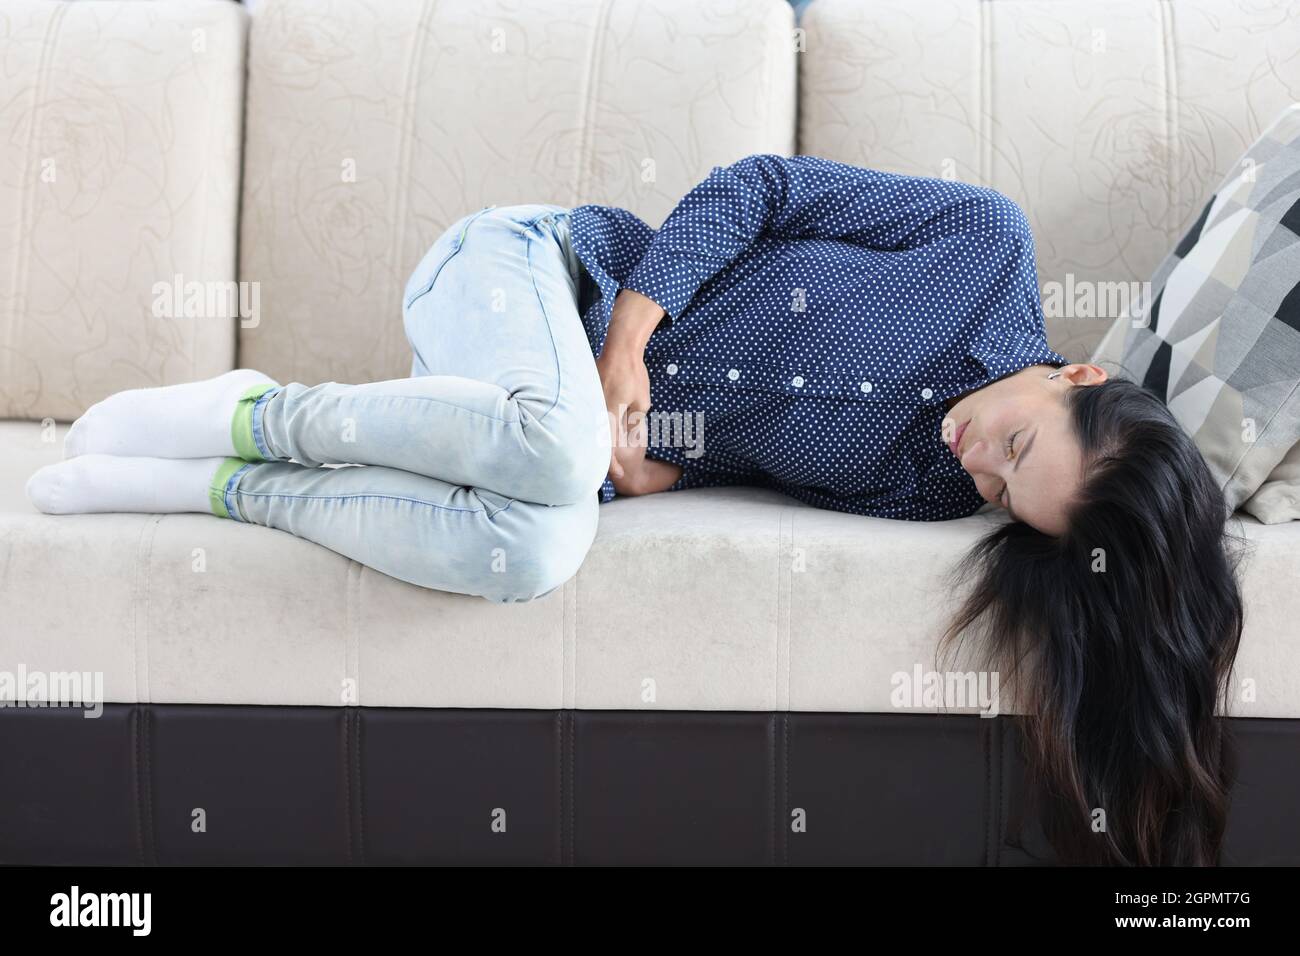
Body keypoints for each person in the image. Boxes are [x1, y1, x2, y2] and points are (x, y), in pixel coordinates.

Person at [26, 155, 1245, 864]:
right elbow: (756, 189)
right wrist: (623, 349)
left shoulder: (930, 488)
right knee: (557, 449)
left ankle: (221, 480)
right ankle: (263, 411)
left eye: (1000, 492)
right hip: (535, 271)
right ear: (1077, 372)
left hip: (549, 428)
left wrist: (654, 467)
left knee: (538, 541)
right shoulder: (984, 243)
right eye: (1012, 443)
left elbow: (746, 455)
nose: (973, 463)